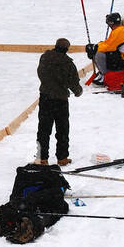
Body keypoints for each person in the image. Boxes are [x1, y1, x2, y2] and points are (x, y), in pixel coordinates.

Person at [36, 37, 82, 167]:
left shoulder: (44, 58)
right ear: (67, 49)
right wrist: (78, 91)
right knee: (62, 129)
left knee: (43, 129)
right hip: (60, 100)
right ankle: (62, 158)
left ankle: (42, 158)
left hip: (45, 97)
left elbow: (40, 73)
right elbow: (73, 83)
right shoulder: (68, 63)